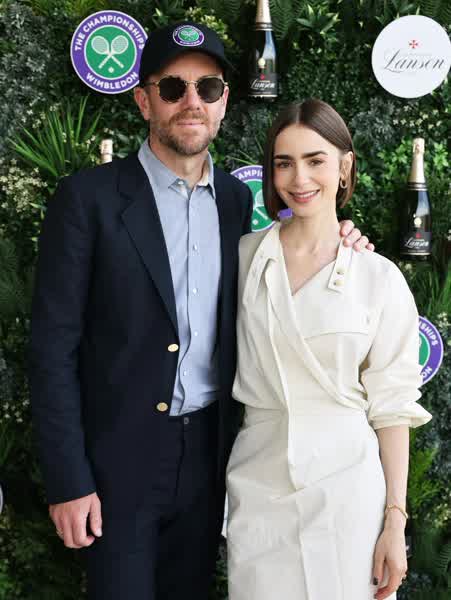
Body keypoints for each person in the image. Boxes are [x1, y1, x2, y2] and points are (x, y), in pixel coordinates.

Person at [29, 22, 371, 600]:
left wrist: (344, 241)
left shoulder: (237, 202)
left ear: (224, 102)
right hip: (115, 466)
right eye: (173, 88)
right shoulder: (87, 199)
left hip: (211, 460)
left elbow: (296, 256)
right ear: (144, 101)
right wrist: (67, 479)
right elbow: (51, 349)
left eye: (207, 87)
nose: (192, 102)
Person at [226, 99, 432, 600]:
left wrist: (394, 521)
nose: (299, 178)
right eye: (284, 162)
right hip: (259, 488)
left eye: (315, 160)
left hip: (349, 492)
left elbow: (391, 409)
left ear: (344, 166)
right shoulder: (243, 257)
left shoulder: (378, 277)